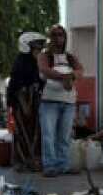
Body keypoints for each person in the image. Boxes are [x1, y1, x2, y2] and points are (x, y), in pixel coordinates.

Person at [37, 24, 83, 177]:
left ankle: (63, 165)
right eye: (55, 35)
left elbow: (80, 70)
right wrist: (64, 77)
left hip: (68, 102)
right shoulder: (45, 55)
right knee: (48, 135)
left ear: (65, 38)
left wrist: (72, 76)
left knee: (64, 136)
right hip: (49, 101)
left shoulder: (70, 57)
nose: (58, 38)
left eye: (61, 35)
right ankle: (50, 166)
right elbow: (44, 70)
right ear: (50, 38)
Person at [7, 31, 45, 172]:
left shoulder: (35, 62)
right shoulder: (21, 63)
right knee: (23, 132)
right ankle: (23, 162)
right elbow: (18, 88)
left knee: (34, 132)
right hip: (22, 103)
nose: (40, 48)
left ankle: (33, 160)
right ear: (27, 46)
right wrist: (25, 106)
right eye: (37, 45)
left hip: (33, 102)